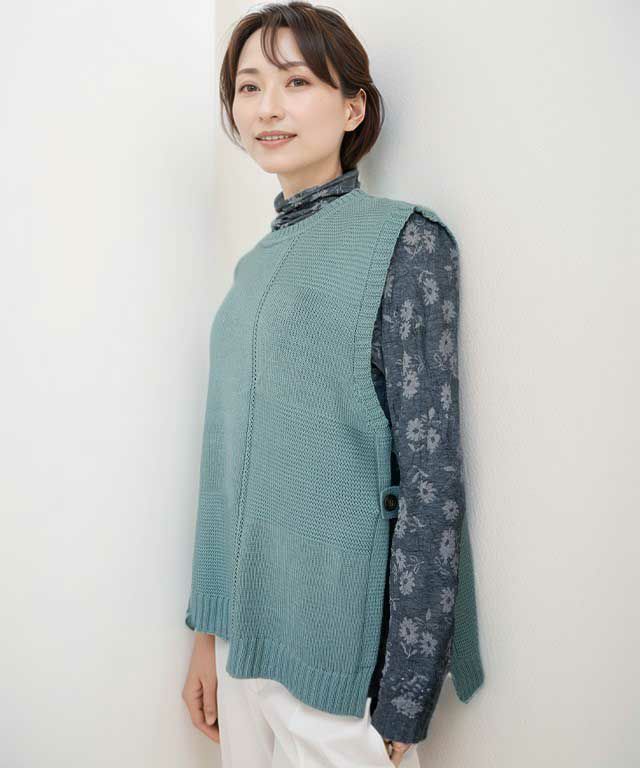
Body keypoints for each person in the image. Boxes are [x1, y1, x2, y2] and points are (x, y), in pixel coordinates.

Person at [181, 3, 484, 766]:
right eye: (249, 87)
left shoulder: (405, 241)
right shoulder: (253, 266)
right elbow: (225, 468)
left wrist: (406, 694)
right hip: (242, 646)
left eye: (297, 82)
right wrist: (207, 637)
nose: (268, 107)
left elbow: (431, 478)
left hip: (338, 670)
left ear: (352, 107)